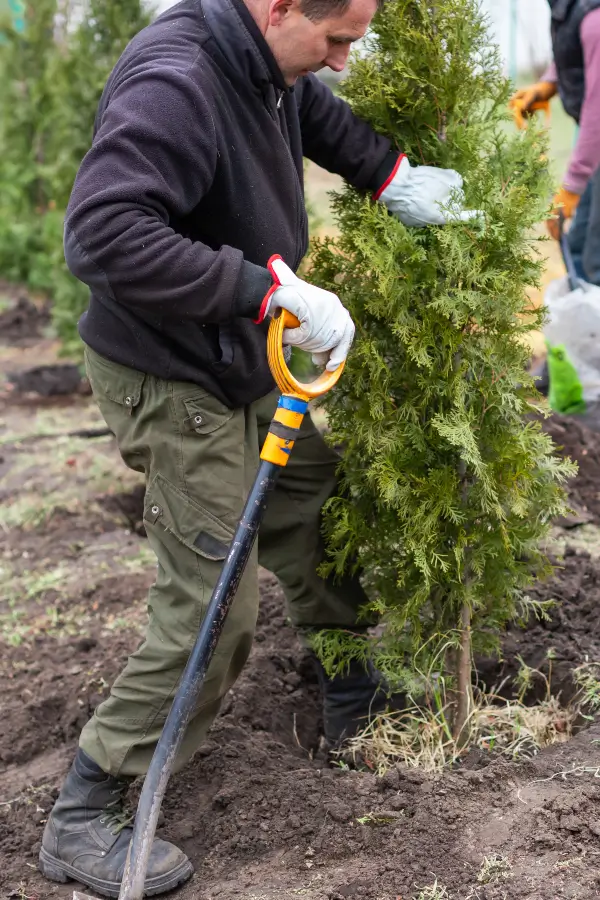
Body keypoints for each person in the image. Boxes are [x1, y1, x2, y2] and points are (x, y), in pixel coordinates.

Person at [38, 0, 476, 895]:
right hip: (170, 373)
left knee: (307, 500)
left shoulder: (262, 58)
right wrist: (260, 289)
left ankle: (348, 688)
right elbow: (103, 233)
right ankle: (89, 809)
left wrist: (385, 172)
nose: (346, 62)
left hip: (238, 356)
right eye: (338, 39)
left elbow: (304, 101)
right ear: (278, 7)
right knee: (214, 605)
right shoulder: (180, 79)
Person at [510, 0, 600, 284]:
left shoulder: (594, 15)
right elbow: (576, 50)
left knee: (595, 260)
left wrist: (572, 187)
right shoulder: (570, 6)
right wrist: (550, 83)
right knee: (579, 250)